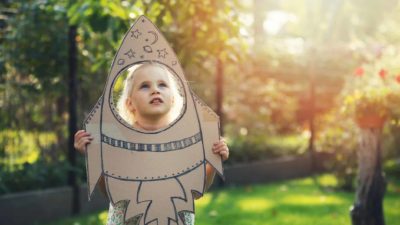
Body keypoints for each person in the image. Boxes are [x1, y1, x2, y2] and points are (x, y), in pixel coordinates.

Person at [74, 62, 229, 225]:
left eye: (162, 85)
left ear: (173, 99)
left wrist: (212, 163)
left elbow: (196, 191)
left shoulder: (186, 141)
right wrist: (95, 159)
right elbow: (113, 192)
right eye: (144, 86)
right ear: (130, 104)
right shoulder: (119, 141)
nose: (155, 90)